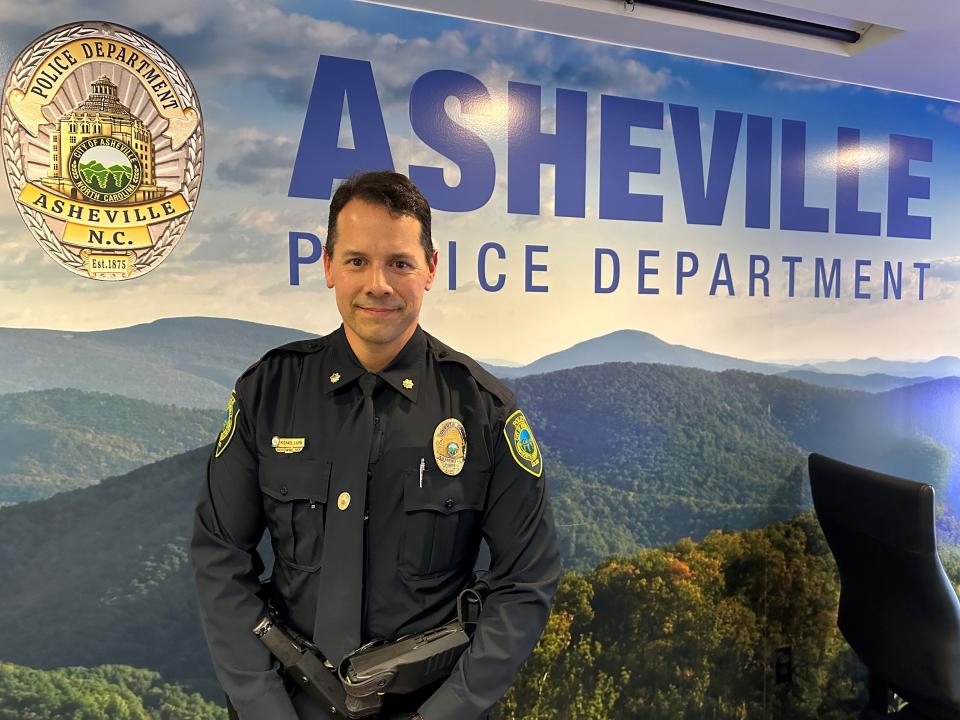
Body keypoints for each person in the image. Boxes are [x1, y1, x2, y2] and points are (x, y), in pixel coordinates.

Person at [190, 171, 561, 720]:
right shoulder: (266, 392)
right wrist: (264, 707)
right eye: (357, 261)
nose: (378, 284)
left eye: (400, 263)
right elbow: (220, 556)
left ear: (431, 269)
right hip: (286, 703)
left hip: (430, 706)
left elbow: (526, 579)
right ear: (328, 267)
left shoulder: (483, 411)